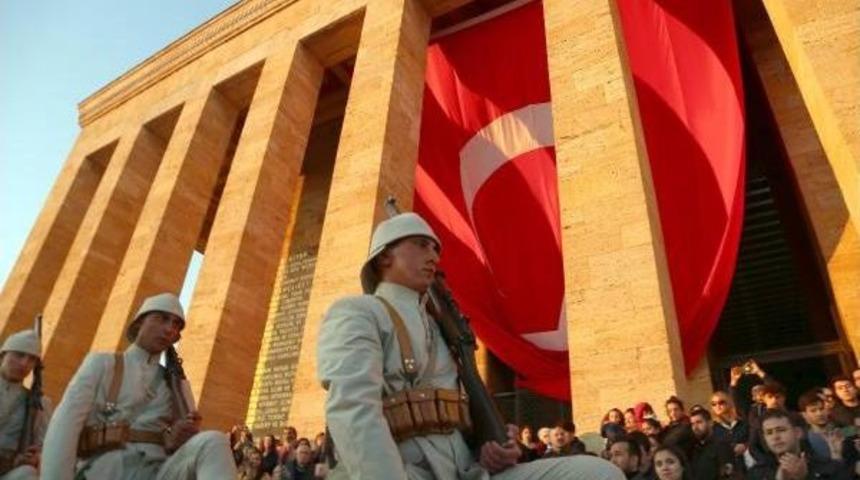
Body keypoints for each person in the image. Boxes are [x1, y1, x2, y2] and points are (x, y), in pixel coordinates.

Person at [316, 212, 624, 479]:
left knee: (598, 473)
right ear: (385, 257)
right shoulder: (358, 312)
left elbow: (460, 422)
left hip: (467, 473)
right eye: (421, 245)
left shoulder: (444, 330)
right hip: (404, 472)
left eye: (436, 249)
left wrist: (487, 449)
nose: (433, 256)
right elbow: (352, 408)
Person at [41, 292, 238, 479]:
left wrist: (179, 437)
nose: (170, 329)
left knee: (213, 441)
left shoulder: (176, 384)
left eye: (176, 324)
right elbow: (64, 426)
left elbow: (184, 443)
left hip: (158, 472)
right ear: (140, 322)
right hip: (105, 470)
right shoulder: (102, 364)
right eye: (161, 318)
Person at [0, 328, 53, 480]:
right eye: (19, 355)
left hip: (8, 470)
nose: (24, 363)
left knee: (27, 474)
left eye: (32, 359)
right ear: (3, 355)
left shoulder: (39, 404)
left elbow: (45, 446)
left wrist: (37, 457)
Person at [747, 409, 851, 479]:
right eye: (769, 433)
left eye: (781, 430)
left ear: (798, 433)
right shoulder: (756, 473)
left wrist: (806, 477)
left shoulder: (827, 466)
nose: (775, 437)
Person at [687, 407, 734, 480]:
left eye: (699, 422)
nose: (695, 427)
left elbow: (727, 475)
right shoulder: (694, 448)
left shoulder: (721, 445)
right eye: (692, 424)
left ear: (710, 423)